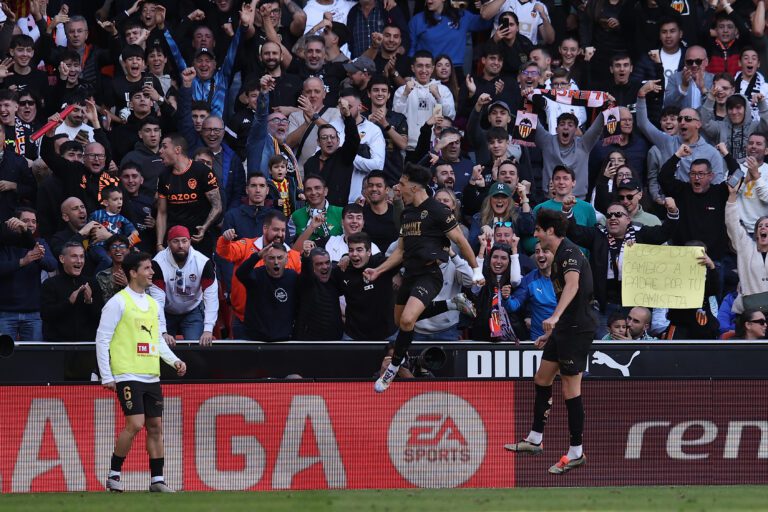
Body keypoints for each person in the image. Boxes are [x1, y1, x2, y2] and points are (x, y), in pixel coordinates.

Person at [364, 164, 485, 392]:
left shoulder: (438, 211)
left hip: (430, 274)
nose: (398, 188)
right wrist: (378, 271)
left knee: (409, 321)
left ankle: (394, 367)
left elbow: (461, 241)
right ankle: (450, 304)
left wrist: (476, 270)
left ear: (414, 186)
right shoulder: (406, 213)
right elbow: (400, 251)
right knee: (402, 321)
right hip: (410, 274)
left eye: (401, 184)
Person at [504, 209, 596, 475]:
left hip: (577, 329)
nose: (535, 235)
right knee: (542, 378)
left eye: (538, 230)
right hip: (564, 329)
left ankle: (576, 451)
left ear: (551, 232)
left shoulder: (569, 254)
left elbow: (573, 286)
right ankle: (534, 439)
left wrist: (554, 317)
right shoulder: (557, 256)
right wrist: (552, 332)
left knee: (571, 389)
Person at [96, 251, 187, 493]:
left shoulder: (154, 304)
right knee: (135, 424)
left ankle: (157, 480)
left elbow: (156, 340)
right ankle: (114, 474)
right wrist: (107, 375)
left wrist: (174, 361)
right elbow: (102, 340)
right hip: (127, 374)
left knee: (155, 426)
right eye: (147, 268)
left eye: (151, 268)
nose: (151, 273)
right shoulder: (117, 302)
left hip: (151, 374)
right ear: (132, 273)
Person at [156, 134, 222, 257]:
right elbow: (162, 212)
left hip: (198, 238)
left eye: (164, 147)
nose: (160, 151)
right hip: (174, 239)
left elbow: (217, 206)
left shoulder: (202, 171)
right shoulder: (163, 176)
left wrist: (204, 227)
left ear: (177, 149)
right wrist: (159, 244)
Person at [152, 226, 219, 347]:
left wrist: (208, 329)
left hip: (192, 310)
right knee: (162, 347)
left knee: (196, 349)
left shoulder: (203, 262)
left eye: (184, 241)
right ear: (168, 243)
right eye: (175, 241)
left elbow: (211, 297)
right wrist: (162, 331)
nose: (180, 245)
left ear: (190, 241)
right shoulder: (157, 263)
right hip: (166, 311)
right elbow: (157, 301)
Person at [0, 209, 57, 341]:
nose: (30, 225)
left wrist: (34, 252)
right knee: (5, 359)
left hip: (33, 314)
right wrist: (22, 262)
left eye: (34, 221)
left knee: (34, 357)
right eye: (25, 221)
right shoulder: (4, 244)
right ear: (14, 223)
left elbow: (51, 265)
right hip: (5, 313)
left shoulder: (39, 242)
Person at [235, 242, 298, 341]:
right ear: (264, 260)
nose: (276, 262)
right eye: (271, 258)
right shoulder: (256, 275)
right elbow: (240, 273)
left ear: (286, 260)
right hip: (256, 339)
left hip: (284, 339)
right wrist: (257, 256)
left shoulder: (292, 277)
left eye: (280, 258)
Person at [40, 241, 102, 341]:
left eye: (82, 256)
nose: (79, 261)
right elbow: (46, 315)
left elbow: (100, 318)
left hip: (85, 346)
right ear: (62, 259)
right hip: (59, 347)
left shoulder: (92, 283)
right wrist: (68, 302)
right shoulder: (50, 284)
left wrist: (89, 301)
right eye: (74, 256)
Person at [505, 241, 557, 341]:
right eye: (537, 252)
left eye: (545, 251)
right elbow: (513, 305)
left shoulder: (565, 277)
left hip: (562, 337)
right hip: (538, 340)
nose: (540, 255)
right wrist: (506, 298)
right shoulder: (530, 279)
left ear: (554, 253)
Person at [293, 244, 343, 340]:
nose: (325, 267)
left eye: (327, 262)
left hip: (334, 341)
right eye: (319, 264)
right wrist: (306, 257)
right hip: (308, 342)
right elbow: (306, 271)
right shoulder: (305, 281)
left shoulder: (334, 277)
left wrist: (346, 256)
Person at [95, 235, 129, 303]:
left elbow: (144, 298)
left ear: (128, 250)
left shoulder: (137, 273)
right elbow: (103, 302)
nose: (118, 249)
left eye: (122, 246)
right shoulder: (102, 275)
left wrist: (128, 285)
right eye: (113, 247)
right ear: (108, 253)